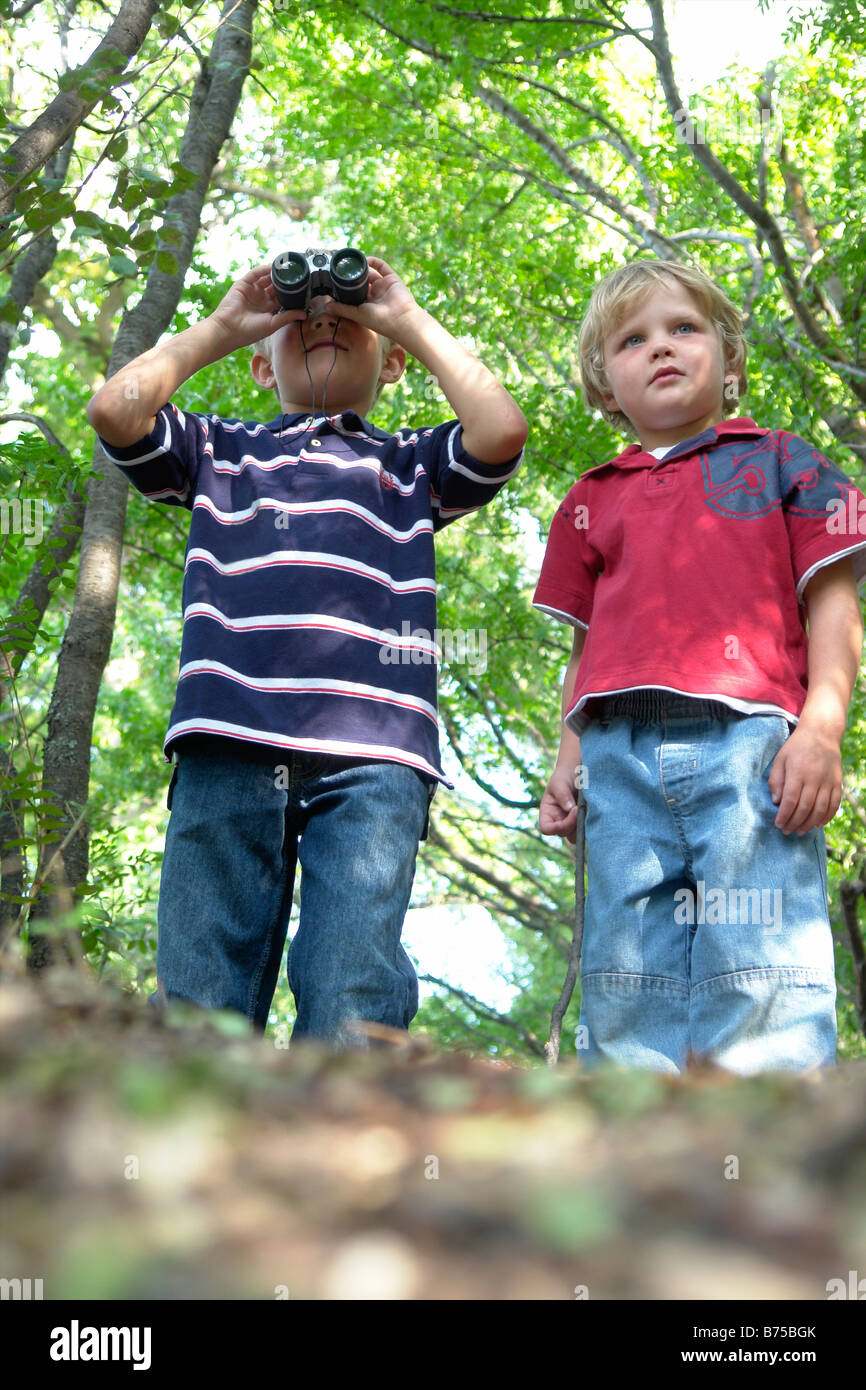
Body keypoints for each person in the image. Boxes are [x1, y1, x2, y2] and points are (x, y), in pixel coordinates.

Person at [86, 252, 526, 1047]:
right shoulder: (218, 451)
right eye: (302, 320)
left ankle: (346, 1154)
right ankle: (200, 1148)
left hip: (375, 753)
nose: (325, 322)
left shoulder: (411, 467)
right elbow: (116, 410)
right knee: (200, 987)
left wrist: (404, 316)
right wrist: (222, 327)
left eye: (347, 319)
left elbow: (500, 431)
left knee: (351, 980)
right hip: (228, 737)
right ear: (261, 365)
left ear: (391, 361)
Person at [534, 259, 866, 1074]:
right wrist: (567, 758)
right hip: (615, 756)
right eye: (632, 340)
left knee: (758, 958)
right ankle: (638, 1148)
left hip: (750, 745)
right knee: (625, 957)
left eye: (684, 328)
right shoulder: (592, 498)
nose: (662, 349)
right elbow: (586, 644)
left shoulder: (786, 462)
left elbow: (834, 601)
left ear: (727, 354)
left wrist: (821, 728)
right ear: (604, 383)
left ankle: (768, 1144)